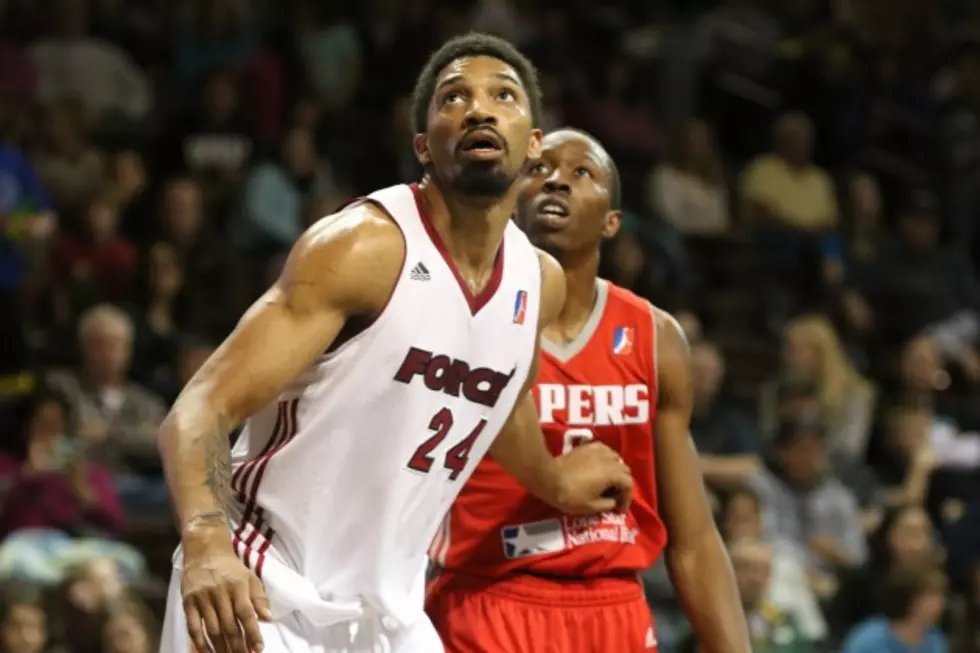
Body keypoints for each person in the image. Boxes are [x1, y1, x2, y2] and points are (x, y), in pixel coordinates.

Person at [157, 34, 633, 653]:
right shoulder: (364, 248)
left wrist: (555, 482)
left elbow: (500, 393)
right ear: (423, 147)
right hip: (261, 588)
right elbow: (200, 409)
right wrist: (206, 542)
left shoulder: (537, 282)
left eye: (503, 96)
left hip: (391, 616)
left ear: (534, 145)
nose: (479, 109)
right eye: (454, 98)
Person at [426, 128, 749, 653]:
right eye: (539, 169)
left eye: (583, 173)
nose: (556, 180)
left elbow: (694, 541)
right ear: (510, 201)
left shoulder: (656, 338)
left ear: (612, 222)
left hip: (613, 609)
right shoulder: (458, 320)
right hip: (485, 597)